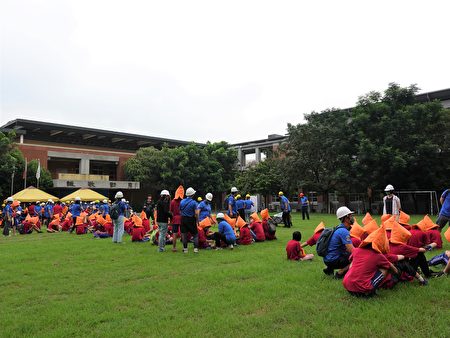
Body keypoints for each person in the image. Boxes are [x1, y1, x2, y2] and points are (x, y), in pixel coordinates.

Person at [343, 225, 399, 297]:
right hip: (362, 289)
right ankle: (371, 291)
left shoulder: (356, 250)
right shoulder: (378, 255)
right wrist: (395, 272)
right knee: (385, 267)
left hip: (347, 286)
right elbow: (393, 269)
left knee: (354, 262)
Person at [323, 206, 354, 278]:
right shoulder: (344, 231)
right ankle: (340, 272)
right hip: (333, 260)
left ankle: (329, 269)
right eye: (350, 215)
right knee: (358, 259)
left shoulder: (338, 227)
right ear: (346, 218)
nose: (352, 217)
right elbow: (351, 250)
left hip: (327, 259)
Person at [180, 187, 199, 253]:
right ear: (192, 194)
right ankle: (195, 249)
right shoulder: (194, 203)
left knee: (184, 235)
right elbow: (196, 213)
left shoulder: (182, 201)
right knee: (195, 234)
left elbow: (180, 211)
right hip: (191, 219)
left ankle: (185, 249)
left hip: (183, 219)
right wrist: (197, 220)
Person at [170, 185, 184, 252]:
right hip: (182, 218)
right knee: (183, 233)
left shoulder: (172, 201)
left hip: (175, 219)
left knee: (174, 234)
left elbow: (171, 211)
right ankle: (184, 248)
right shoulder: (183, 201)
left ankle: (174, 248)